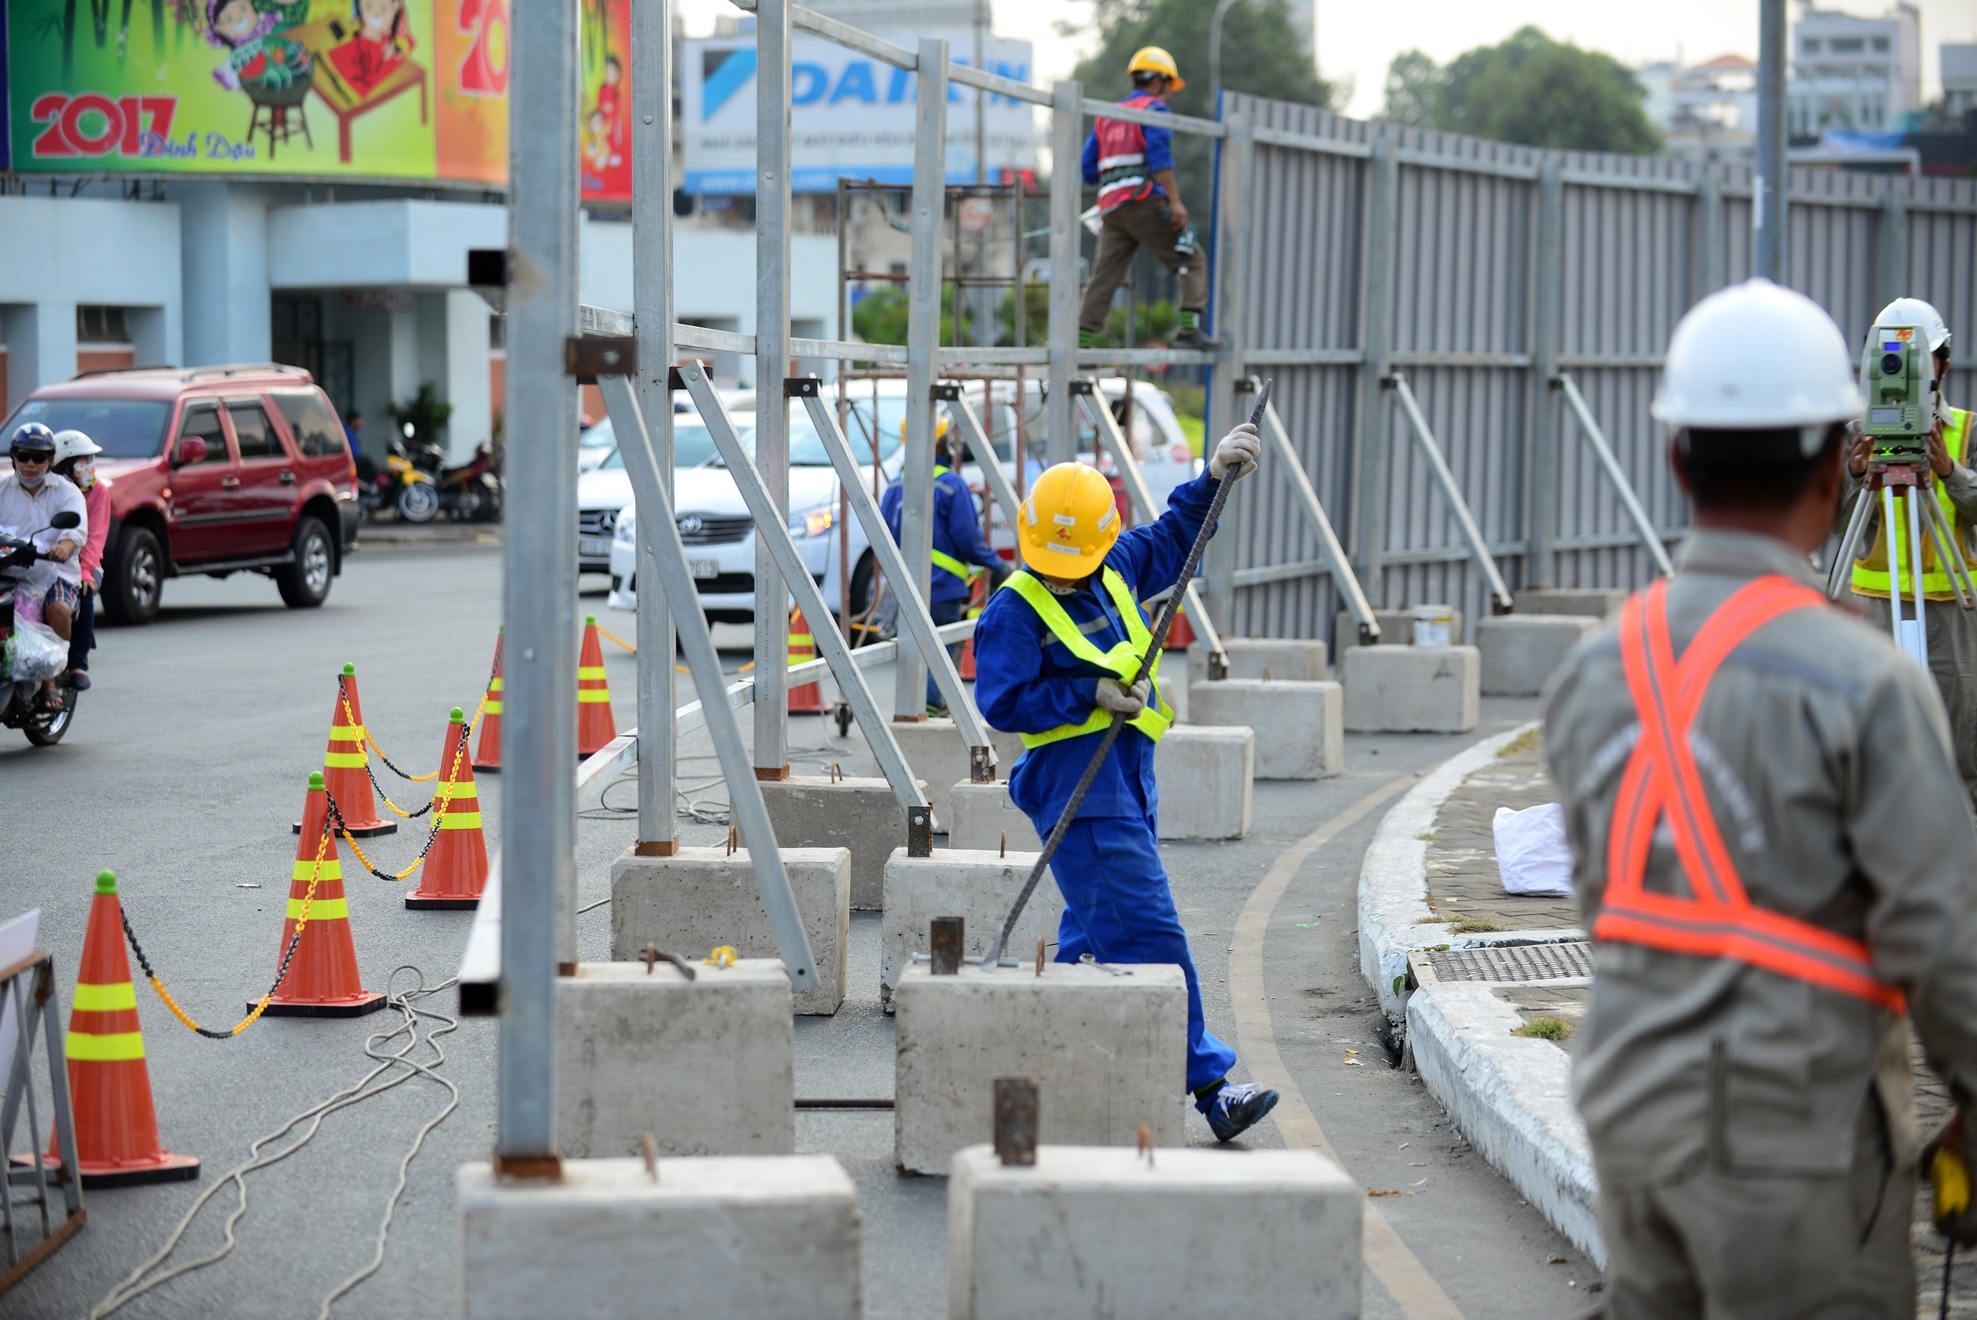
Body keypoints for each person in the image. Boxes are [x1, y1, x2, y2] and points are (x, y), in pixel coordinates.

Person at [1543, 279, 1977, 1318]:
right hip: (1801, 1133)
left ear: (1676, 459)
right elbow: (1939, 936)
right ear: (1838, 465)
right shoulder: (1867, 684)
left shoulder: (1595, 672)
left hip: (1630, 1114)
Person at [973, 423, 1271, 1142]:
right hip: (1078, 787)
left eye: (1074, 562)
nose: (1064, 575)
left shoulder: (1113, 564)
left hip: (1126, 775)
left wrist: (1213, 477)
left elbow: (1174, 537)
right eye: (1053, 562)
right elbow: (1001, 702)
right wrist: (1086, 697)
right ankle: (1210, 1087)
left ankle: (1049, 1065)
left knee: (1095, 928)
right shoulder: (1013, 609)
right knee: (1146, 928)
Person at [1843, 297, 1977, 810]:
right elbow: (1832, 521)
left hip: (1950, 613)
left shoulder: (1967, 431)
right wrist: (1855, 474)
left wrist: (1951, 474)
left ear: (1942, 363)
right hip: (1872, 611)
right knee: (1869, 750)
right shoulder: (1860, 434)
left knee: (1958, 755)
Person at [1076, 47, 1217, 351]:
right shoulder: (1153, 110)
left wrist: (1116, 176)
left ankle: (1080, 341)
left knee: (1106, 275)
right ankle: (1190, 332)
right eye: (1169, 87)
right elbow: (1159, 158)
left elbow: (1088, 168)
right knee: (1192, 259)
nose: (1169, 94)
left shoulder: (1107, 117)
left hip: (1111, 210)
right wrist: (1175, 201)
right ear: (1159, 81)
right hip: (1143, 202)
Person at [880, 418, 1005, 714]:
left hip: (904, 587)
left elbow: (882, 537)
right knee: (940, 653)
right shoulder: (950, 485)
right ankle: (930, 708)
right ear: (937, 442)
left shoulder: (896, 486)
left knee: (913, 651)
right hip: (943, 587)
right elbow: (969, 540)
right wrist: (997, 565)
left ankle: (915, 707)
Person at [0, 423, 87, 710]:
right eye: (23, 456)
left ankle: (51, 678)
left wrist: (63, 548)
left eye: (38, 458)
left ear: (50, 460)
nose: (30, 464)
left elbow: (75, 532)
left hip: (53, 574)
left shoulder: (67, 492)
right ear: (13, 456)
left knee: (58, 609)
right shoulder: (2, 489)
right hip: (8, 570)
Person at [51, 429, 110, 691]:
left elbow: (95, 537)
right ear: (65, 465)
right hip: (49, 559)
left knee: (85, 591)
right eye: (82, 461)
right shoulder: (50, 489)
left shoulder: (98, 492)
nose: (88, 467)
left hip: (87, 562)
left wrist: (86, 570)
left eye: (90, 460)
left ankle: (77, 664)